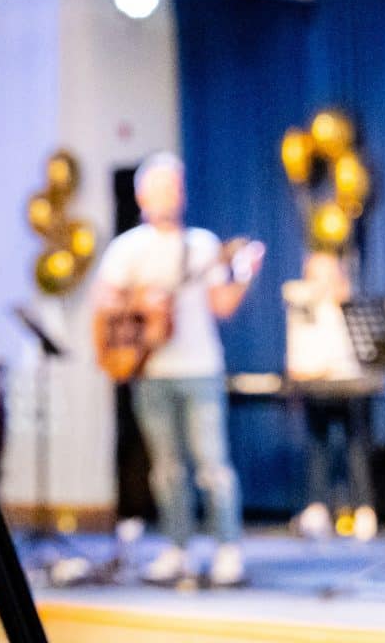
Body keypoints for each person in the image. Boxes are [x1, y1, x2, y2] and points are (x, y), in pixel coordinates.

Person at [91, 153, 265, 587]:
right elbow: (103, 305)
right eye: (161, 187)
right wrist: (141, 304)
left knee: (213, 464)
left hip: (201, 368)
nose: (170, 195)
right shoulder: (127, 248)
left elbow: (221, 305)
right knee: (166, 467)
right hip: (151, 370)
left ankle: (227, 548)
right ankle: (177, 547)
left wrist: (244, 275)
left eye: (176, 186)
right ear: (142, 195)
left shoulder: (203, 245)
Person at [282, 249, 377, 541]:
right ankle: (317, 509)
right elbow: (298, 351)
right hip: (315, 386)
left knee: (357, 448)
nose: (323, 280)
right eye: (315, 272)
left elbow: (361, 348)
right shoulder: (301, 303)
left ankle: (364, 510)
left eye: (329, 272)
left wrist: (340, 297)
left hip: (351, 384)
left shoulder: (351, 305)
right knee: (317, 446)